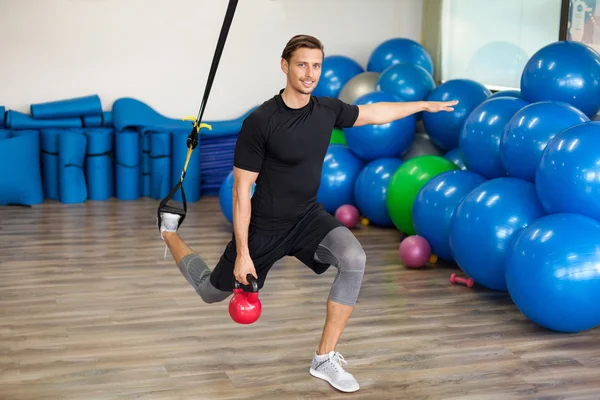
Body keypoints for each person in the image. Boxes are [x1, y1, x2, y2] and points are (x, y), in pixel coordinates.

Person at [158, 34, 457, 393]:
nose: (310, 73)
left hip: (307, 218)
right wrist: (243, 254)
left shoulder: (327, 110)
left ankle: (324, 358)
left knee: (354, 258)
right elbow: (241, 193)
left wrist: (421, 105)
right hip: (263, 227)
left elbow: (374, 113)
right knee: (210, 292)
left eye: (316, 65)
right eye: (302, 64)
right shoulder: (261, 121)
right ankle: (169, 233)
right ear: (285, 66)